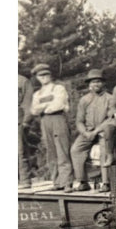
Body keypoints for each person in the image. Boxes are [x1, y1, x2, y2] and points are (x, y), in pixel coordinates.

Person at [27, 64, 74, 192]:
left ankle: (67, 182)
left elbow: (58, 105)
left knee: (62, 150)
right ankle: (57, 181)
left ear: (50, 75)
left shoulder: (58, 88)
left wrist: (43, 107)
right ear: (37, 78)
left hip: (58, 118)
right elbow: (34, 110)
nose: (44, 78)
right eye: (41, 76)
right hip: (45, 122)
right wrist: (47, 105)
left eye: (46, 75)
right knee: (51, 152)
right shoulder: (37, 93)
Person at [69, 69, 114, 191]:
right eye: (93, 82)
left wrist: (96, 131)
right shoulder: (84, 100)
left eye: (98, 81)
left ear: (103, 83)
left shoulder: (110, 98)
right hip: (88, 131)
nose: (96, 84)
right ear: (89, 84)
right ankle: (83, 182)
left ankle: (106, 183)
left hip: (103, 131)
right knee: (75, 150)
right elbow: (79, 120)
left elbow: (110, 118)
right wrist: (85, 132)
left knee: (105, 149)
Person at [18, 72, 35, 184]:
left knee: (20, 151)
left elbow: (28, 103)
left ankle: (25, 180)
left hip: (17, 120)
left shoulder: (22, 81)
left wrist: (26, 122)